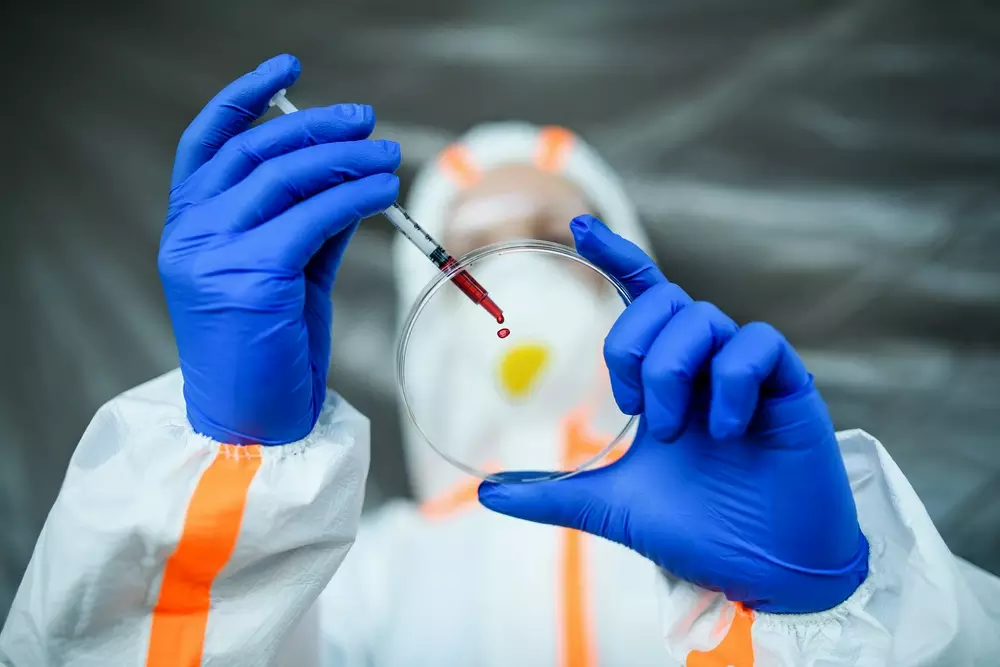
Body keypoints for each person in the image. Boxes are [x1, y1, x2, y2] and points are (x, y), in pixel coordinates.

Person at [1, 55, 998, 667]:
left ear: (628, 266)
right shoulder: (354, 573)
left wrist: (833, 611)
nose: (513, 279)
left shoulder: (764, 521)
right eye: (471, 252)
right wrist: (226, 486)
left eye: (555, 239)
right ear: (424, 291)